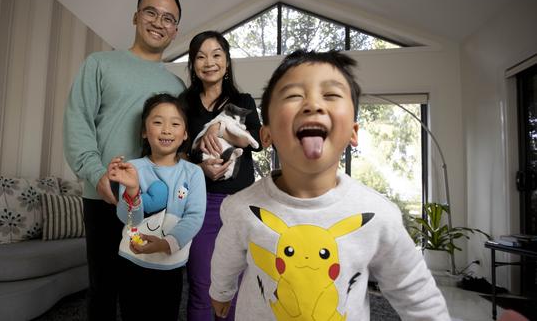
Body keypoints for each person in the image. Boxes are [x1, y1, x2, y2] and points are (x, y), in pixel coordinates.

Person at [209, 50, 450, 320]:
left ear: (353, 133)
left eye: (331, 95)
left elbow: (416, 294)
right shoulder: (242, 207)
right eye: (293, 95)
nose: (313, 105)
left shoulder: (378, 215)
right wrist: (221, 291)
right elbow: (226, 258)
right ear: (267, 135)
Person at [63, 0, 184, 320]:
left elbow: (178, 143)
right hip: (105, 195)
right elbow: (78, 121)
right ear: (135, 16)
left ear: (175, 31)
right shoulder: (100, 64)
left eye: (168, 18)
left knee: (144, 293)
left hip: (153, 202)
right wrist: (95, 172)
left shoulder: (178, 87)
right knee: (103, 290)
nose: (159, 22)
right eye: (151, 12)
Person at [180, 31, 262, 321]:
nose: (209, 62)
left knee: (236, 289)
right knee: (203, 285)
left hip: (241, 206)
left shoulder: (243, 101)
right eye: (200, 56)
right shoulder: (185, 103)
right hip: (201, 204)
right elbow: (175, 154)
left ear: (227, 63)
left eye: (216, 55)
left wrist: (222, 129)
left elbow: (258, 141)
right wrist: (199, 168)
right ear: (193, 64)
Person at [108, 93, 206, 321]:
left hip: (170, 264)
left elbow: (194, 217)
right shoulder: (132, 168)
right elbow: (126, 218)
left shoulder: (193, 173)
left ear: (185, 134)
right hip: (132, 261)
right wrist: (132, 190)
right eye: (157, 122)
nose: (166, 130)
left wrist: (165, 243)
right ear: (144, 131)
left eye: (175, 123)